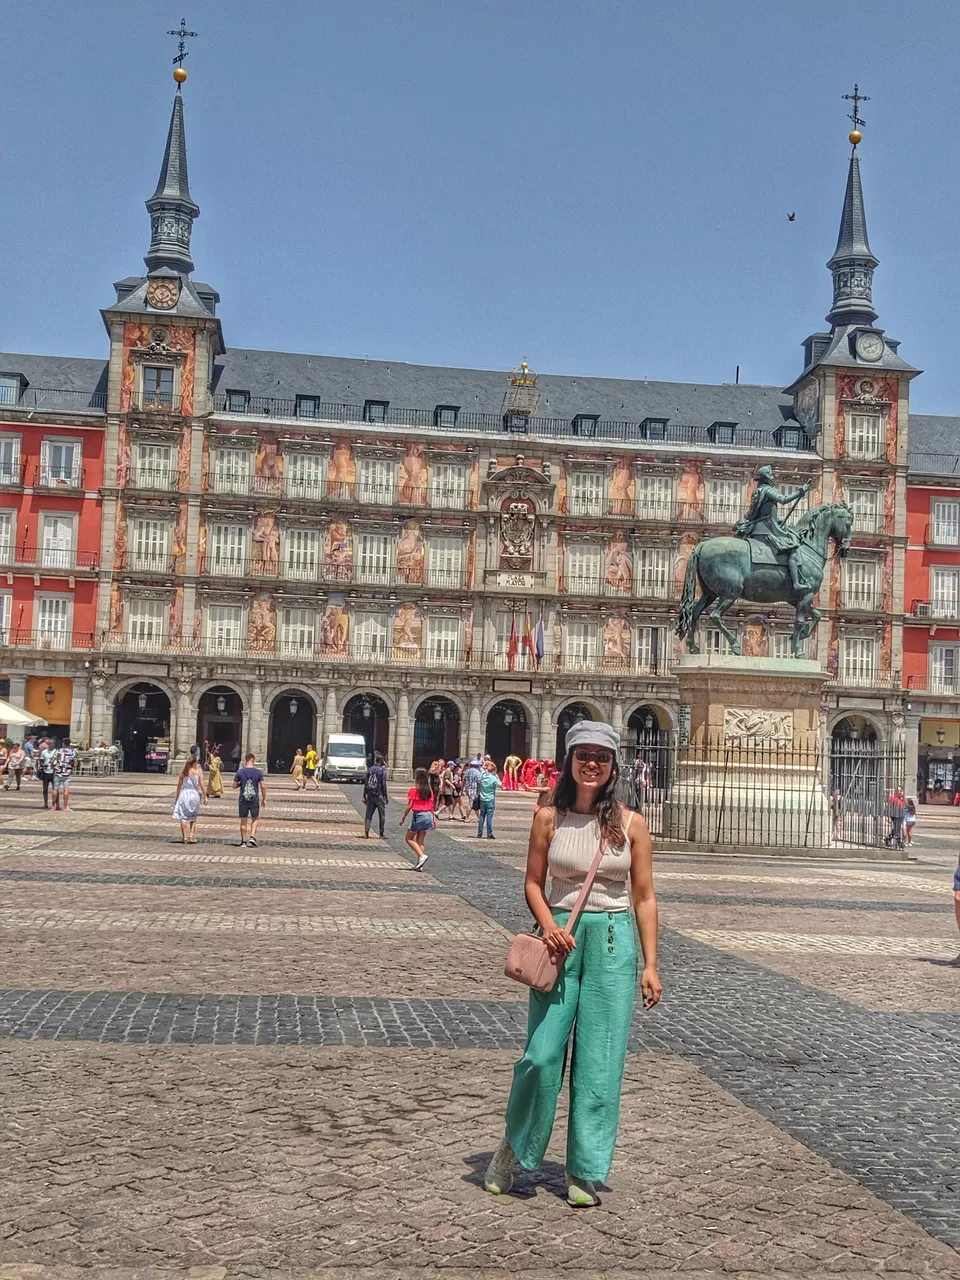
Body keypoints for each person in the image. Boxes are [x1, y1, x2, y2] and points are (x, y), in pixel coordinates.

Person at [484, 722, 661, 1207]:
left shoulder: (631, 824)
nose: (592, 763)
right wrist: (549, 924)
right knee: (540, 1057)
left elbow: (644, 898)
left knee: (600, 1062)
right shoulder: (548, 817)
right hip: (559, 941)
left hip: (612, 940)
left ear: (613, 766)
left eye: (601, 757)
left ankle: (584, 1168)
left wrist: (650, 963)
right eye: (583, 754)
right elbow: (533, 884)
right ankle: (513, 1147)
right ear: (568, 760)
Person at [732, 464, 813, 593]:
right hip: (767, 530)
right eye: (771, 475)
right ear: (767, 477)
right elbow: (783, 499)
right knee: (792, 549)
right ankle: (796, 583)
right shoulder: (768, 490)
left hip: (756, 530)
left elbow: (754, 513)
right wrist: (801, 491)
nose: (773, 477)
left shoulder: (757, 491)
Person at [400, 767, 434, 870]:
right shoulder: (429, 790)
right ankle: (420, 864)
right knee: (420, 841)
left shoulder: (414, 790)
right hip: (428, 815)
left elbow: (410, 806)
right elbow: (432, 805)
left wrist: (403, 817)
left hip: (418, 815)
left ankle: (422, 856)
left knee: (409, 838)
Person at [234, 752, 266, 847]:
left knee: (243, 820)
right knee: (255, 819)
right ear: (253, 760)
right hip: (254, 799)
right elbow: (263, 787)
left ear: (245, 760)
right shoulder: (258, 772)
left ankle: (243, 842)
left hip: (243, 799)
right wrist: (264, 799)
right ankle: (252, 836)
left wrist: (242, 783)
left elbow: (234, 786)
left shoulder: (240, 772)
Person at [173, 755, 207, 843]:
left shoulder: (183, 773)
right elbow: (202, 786)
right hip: (194, 795)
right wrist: (205, 796)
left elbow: (179, 787)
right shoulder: (198, 773)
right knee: (193, 816)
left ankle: (184, 837)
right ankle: (192, 836)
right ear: (195, 763)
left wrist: (177, 798)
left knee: (183, 816)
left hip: (184, 794)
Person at [363, 751, 389, 838]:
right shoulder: (382, 771)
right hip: (379, 795)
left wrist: (364, 795)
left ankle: (366, 832)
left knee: (368, 814)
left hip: (370, 795)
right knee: (382, 815)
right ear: (381, 761)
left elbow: (366, 783)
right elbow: (384, 784)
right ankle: (381, 833)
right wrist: (386, 796)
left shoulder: (369, 769)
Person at [477, 759, 502, 839]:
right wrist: (496, 775)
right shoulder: (493, 778)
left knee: (481, 817)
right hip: (490, 799)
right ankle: (489, 833)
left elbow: (481, 768)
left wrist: (485, 765)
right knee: (489, 817)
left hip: (482, 799)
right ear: (493, 771)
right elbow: (501, 785)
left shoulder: (483, 776)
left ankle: (479, 833)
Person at [51, 738, 77, 812]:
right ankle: (65, 806)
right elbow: (75, 763)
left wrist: (54, 768)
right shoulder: (72, 752)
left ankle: (53, 806)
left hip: (58, 772)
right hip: (67, 772)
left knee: (55, 789)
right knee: (66, 789)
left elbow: (52, 761)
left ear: (63, 743)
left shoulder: (58, 751)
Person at [460, 755, 483, 820]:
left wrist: (462, 791)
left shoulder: (466, 771)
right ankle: (467, 817)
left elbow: (463, 781)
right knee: (471, 803)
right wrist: (480, 791)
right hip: (474, 790)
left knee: (474, 803)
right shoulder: (477, 772)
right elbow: (479, 782)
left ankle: (479, 818)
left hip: (467, 790)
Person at [38, 737, 55, 809]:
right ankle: (45, 803)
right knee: (45, 789)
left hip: (54, 772)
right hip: (45, 772)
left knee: (55, 790)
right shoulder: (44, 752)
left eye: (51, 744)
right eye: (49, 744)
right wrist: (42, 764)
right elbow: (41, 760)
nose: (50, 745)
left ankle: (55, 804)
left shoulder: (56, 752)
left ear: (54, 744)